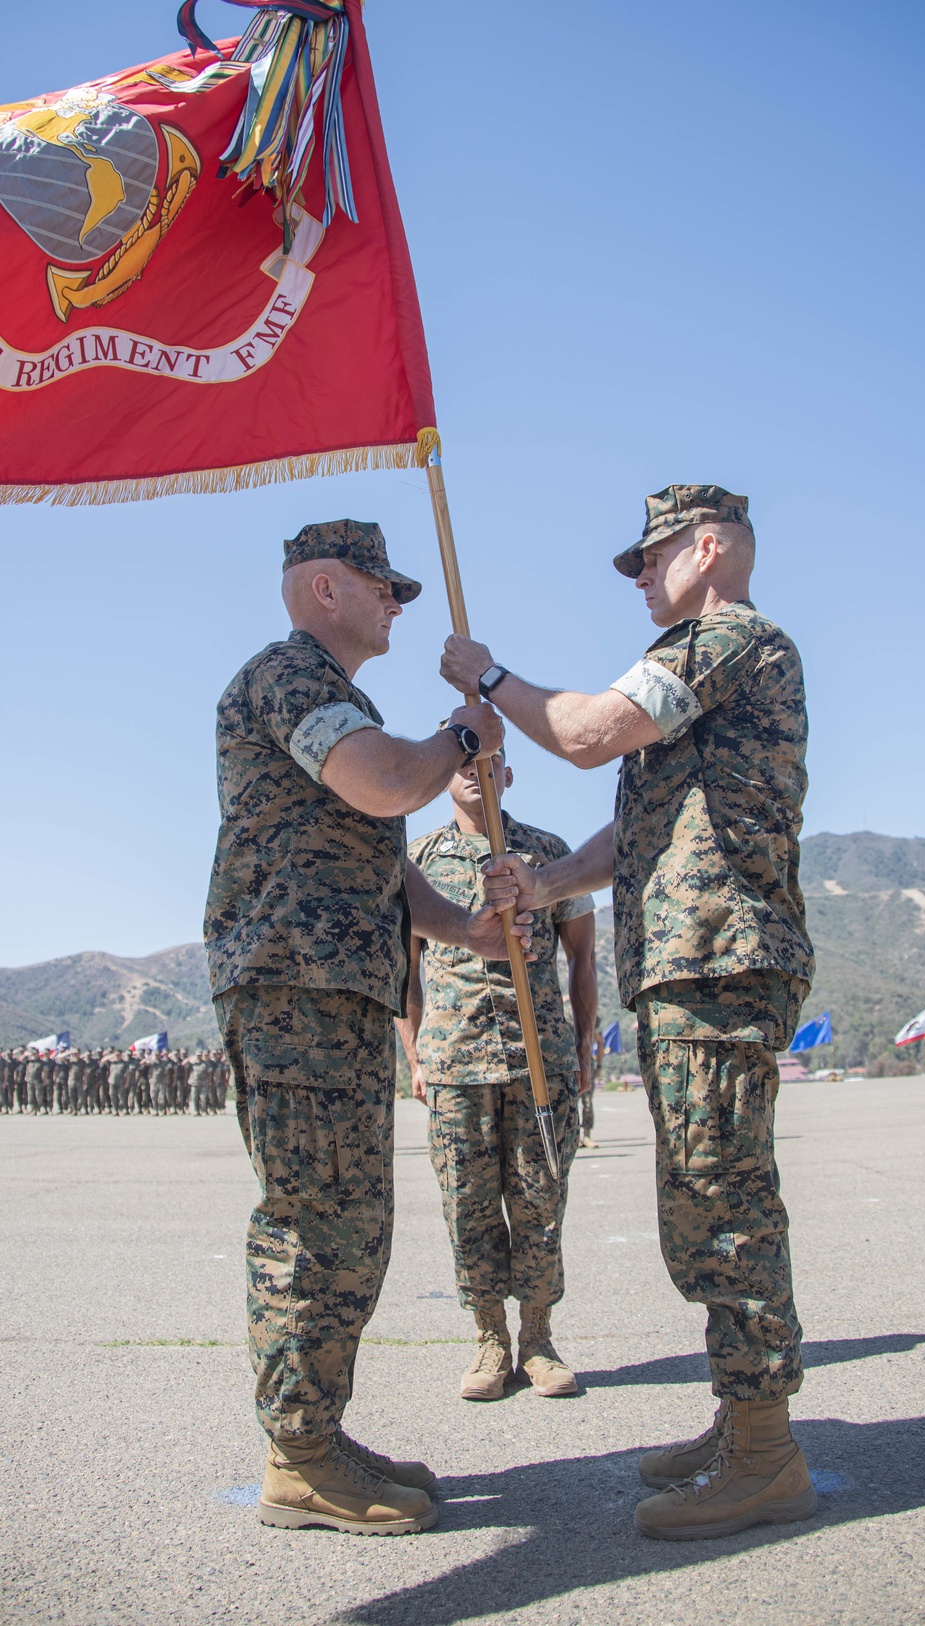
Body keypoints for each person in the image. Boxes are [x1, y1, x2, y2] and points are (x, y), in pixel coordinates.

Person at [442, 482, 817, 1541]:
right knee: (701, 1198)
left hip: (715, 963)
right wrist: (545, 888)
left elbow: (590, 733)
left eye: (648, 559)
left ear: (707, 548)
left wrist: (490, 676)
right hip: (685, 963)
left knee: (721, 1200)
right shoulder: (701, 668)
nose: (641, 578)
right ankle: (742, 1415)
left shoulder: (727, 637)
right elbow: (637, 831)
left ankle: (764, 1453)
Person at [204, 518, 532, 1538]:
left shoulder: (342, 697)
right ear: (322, 588)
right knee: (316, 1223)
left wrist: (462, 931)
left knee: (351, 1223)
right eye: (380, 586)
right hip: (293, 987)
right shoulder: (288, 675)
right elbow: (385, 785)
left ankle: (317, 1435)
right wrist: (461, 738)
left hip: (337, 986)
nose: (395, 603)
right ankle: (298, 1457)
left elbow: (376, 866)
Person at [399, 751, 597, 1402]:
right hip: (457, 1060)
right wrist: (415, 1054)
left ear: (506, 773)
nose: (470, 770)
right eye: (457, 759)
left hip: (540, 1058)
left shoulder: (547, 853)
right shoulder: (421, 862)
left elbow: (583, 955)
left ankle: (538, 1340)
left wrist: (586, 1040)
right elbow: (406, 968)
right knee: (468, 1205)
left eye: (486, 760)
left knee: (540, 1200)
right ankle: (490, 1340)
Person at [580, 1017, 603, 1148]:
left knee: (587, 1102)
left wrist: (599, 1065)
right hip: (568, 1064)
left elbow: (600, 1041)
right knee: (570, 1104)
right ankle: (574, 1137)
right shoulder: (561, 1009)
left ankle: (587, 1136)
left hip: (587, 1064)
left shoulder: (588, 1011)